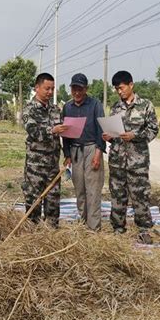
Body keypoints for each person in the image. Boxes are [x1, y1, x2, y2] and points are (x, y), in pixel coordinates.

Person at [102, 71, 159, 244]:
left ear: (131, 85)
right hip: (117, 159)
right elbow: (113, 130)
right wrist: (109, 136)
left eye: (121, 88)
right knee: (117, 195)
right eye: (116, 89)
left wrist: (135, 135)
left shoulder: (146, 106)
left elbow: (153, 130)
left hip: (138, 161)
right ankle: (118, 228)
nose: (119, 92)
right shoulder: (115, 107)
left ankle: (144, 229)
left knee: (140, 195)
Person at [22, 73, 68, 227]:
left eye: (52, 89)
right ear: (37, 88)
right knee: (33, 200)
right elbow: (33, 131)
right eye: (47, 88)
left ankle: (51, 231)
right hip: (36, 165)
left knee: (53, 200)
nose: (50, 92)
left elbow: (63, 133)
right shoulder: (29, 110)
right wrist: (52, 130)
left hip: (52, 165)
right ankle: (32, 232)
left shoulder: (55, 110)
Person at [62, 73, 106, 231]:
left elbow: (102, 129)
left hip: (91, 149)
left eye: (80, 89)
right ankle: (82, 221)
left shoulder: (95, 105)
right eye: (74, 89)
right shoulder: (67, 107)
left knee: (93, 190)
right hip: (75, 151)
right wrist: (67, 154)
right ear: (71, 89)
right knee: (79, 188)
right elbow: (65, 134)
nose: (77, 92)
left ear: (86, 89)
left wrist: (98, 153)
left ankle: (94, 227)